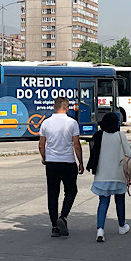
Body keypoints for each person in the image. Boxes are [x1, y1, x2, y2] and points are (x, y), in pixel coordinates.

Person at [39, 96, 84, 238]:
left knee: (53, 193)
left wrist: (45, 158)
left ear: (54, 106)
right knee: (71, 191)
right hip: (68, 163)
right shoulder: (72, 123)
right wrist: (81, 162)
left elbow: (41, 145)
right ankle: (63, 216)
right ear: (67, 107)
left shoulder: (46, 123)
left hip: (52, 163)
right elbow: (76, 145)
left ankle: (54, 227)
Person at [86, 111, 131, 242]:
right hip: (118, 175)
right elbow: (129, 153)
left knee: (103, 202)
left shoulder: (99, 136)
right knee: (120, 200)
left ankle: (100, 230)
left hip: (102, 175)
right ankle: (122, 226)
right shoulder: (120, 135)